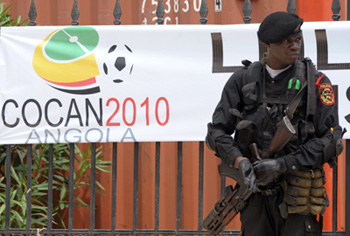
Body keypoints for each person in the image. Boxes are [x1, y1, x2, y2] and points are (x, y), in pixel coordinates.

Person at [205, 11, 345, 236]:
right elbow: (216, 132)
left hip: (298, 200)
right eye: (286, 41)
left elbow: (331, 141)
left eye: (297, 40)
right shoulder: (242, 81)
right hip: (255, 199)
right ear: (268, 44)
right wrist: (239, 161)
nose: (294, 46)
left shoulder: (316, 83)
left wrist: (283, 164)